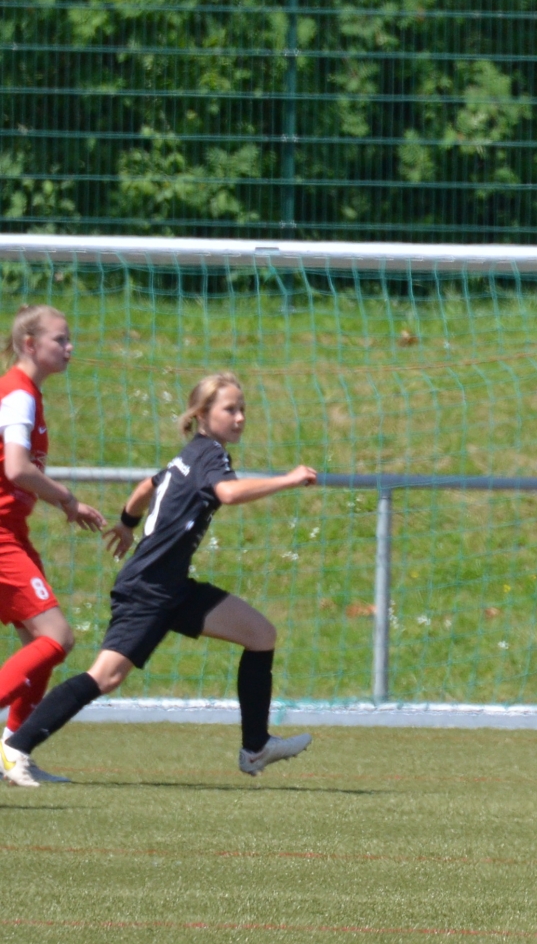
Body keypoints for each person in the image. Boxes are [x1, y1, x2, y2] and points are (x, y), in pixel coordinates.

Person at [0, 373, 319, 786]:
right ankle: (15, 747)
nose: (240, 417)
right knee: (105, 677)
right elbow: (227, 493)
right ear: (201, 414)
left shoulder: (189, 455)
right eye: (230, 409)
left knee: (260, 634)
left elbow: (145, 487)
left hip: (172, 587)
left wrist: (127, 523)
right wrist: (289, 479)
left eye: (243, 409)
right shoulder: (210, 456)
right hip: (148, 589)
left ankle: (256, 746)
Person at [0, 306, 108, 783]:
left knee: (39, 644)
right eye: (60, 340)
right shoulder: (18, 394)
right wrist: (68, 500)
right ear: (30, 344)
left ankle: (13, 752)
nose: (70, 348)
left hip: (12, 534)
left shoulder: (27, 393)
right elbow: (17, 468)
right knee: (57, 637)